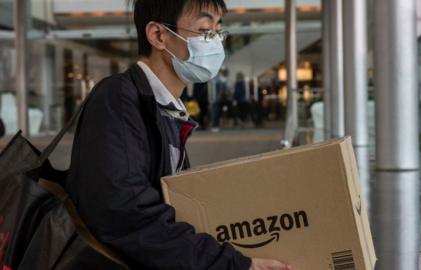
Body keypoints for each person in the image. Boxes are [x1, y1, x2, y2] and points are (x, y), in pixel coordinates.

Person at [66, 1, 297, 270]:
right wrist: (235, 265)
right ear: (158, 36)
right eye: (205, 30)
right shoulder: (119, 99)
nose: (215, 43)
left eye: (218, 32)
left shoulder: (163, 108)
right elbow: (126, 215)